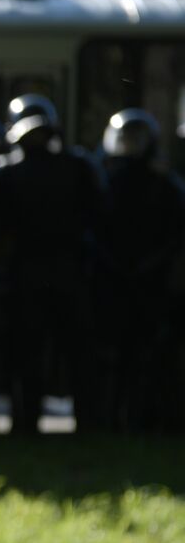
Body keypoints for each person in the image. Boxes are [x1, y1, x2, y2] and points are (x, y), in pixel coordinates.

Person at [0, 94, 105, 434]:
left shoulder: (6, 172)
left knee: (31, 354)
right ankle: (83, 424)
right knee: (69, 353)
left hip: (31, 273)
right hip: (64, 273)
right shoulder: (77, 166)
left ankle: (26, 423)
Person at [93, 109, 185, 432]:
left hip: (144, 285)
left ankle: (141, 417)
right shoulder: (104, 184)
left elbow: (175, 236)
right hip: (124, 282)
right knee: (117, 357)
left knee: (146, 357)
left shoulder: (164, 187)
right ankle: (116, 419)